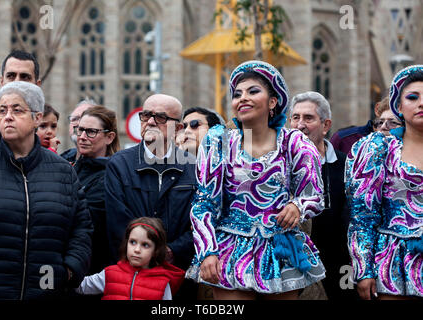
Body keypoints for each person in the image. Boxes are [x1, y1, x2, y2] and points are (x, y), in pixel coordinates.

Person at [186, 60, 326, 300]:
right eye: (237, 94)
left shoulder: (294, 143)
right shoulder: (218, 143)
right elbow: (204, 202)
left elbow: (314, 196)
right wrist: (207, 250)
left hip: (280, 251)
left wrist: (297, 206)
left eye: (253, 91)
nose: (243, 98)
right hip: (230, 250)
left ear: (273, 102)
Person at [0, 81, 93, 299]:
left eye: (17, 110)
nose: (7, 116)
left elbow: (81, 229)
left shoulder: (63, 172)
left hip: (45, 289)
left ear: (37, 118)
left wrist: (68, 270)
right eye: (2, 110)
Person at [104, 93, 196, 299]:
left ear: (178, 128)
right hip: (131, 279)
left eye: (161, 117)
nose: (151, 122)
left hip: (178, 277)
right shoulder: (120, 164)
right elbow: (117, 221)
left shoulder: (194, 167)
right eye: (145, 116)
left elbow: (199, 222)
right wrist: (144, 252)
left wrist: (171, 251)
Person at [345, 64, 423, 300]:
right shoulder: (379, 149)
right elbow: (363, 214)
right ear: (398, 107)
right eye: (412, 97)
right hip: (392, 261)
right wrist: (363, 268)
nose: (421, 103)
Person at [289, 91, 353, 300]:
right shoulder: (279, 166)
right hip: (296, 267)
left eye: (308, 118)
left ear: (326, 125)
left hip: (339, 267)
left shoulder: (346, 166)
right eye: (295, 118)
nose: (300, 125)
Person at [75, 217, 185, 300]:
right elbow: (80, 286)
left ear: (155, 251)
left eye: (145, 245)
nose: (137, 249)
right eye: (133, 242)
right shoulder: (110, 273)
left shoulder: (163, 282)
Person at [74, 105, 120, 274]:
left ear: (109, 137)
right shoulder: (70, 167)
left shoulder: (113, 177)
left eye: (91, 132)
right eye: (80, 130)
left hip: (93, 268)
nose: (82, 137)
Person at [0, 50, 41, 154]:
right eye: (11, 76)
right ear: (2, 82)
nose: (17, 82)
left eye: (24, 77)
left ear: (37, 84)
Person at [60, 98, 97, 164]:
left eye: (84, 119)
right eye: (74, 119)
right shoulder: (60, 162)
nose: (78, 124)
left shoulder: (111, 166)